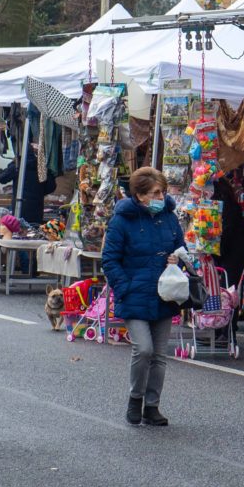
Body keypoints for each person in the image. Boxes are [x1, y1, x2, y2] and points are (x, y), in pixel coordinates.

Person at [102, 167, 185, 427]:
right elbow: (110, 259)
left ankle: (152, 406)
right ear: (139, 195)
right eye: (156, 193)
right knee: (143, 348)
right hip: (135, 294)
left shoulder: (169, 217)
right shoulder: (122, 220)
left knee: (159, 355)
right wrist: (124, 288)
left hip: (164, 294)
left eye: (163, 192)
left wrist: (177, 260)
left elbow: (180, 249)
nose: (161, 197)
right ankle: (135, 398)